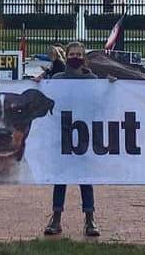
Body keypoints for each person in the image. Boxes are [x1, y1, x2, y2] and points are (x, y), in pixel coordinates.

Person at [40, 41, 113, 237]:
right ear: (67, 56)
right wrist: (39, 83)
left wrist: (109, 87)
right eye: (72, 54)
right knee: (60, 179)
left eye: (79, 54)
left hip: (84, 134)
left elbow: (100, 104)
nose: (76, 57)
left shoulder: (93, 79)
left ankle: (90, 219)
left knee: (85, 179)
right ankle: (56, 218)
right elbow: (49, 102)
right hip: (63, 133)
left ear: (84, 58)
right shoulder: (57, 78)